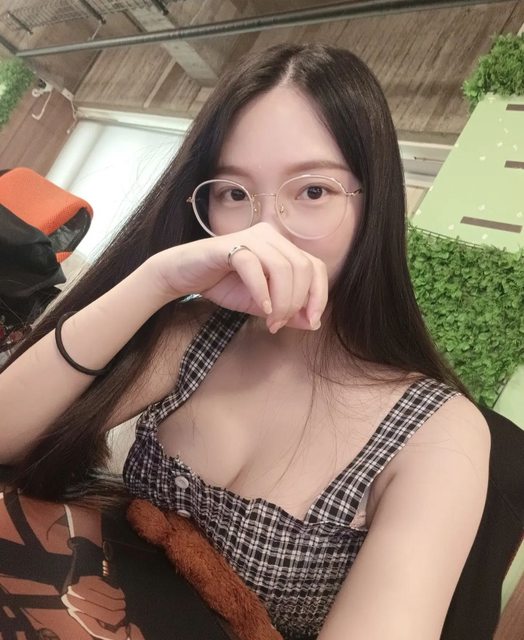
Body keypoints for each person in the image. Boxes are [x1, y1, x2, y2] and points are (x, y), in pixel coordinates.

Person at [0, 44, 490, 640]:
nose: (265, 231)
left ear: (375, 204)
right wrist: (155, 281)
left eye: (313, 191)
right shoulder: (197, 334)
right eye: (234, 193)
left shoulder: (438, 432)